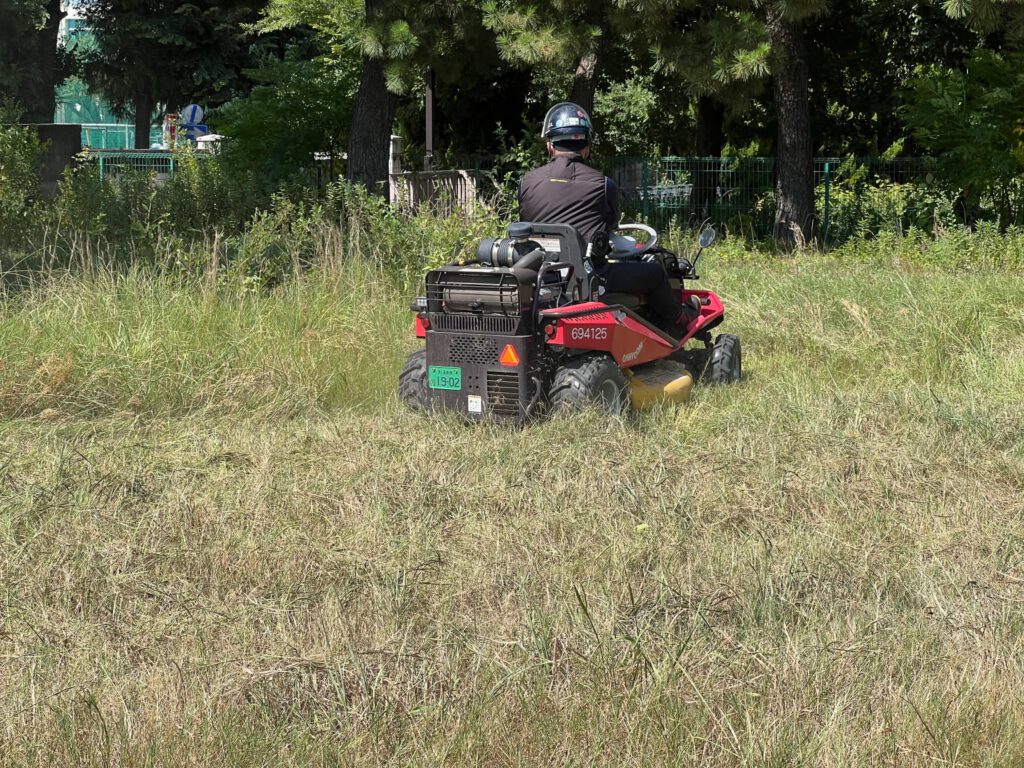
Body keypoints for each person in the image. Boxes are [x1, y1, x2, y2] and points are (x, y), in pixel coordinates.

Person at [518, 102, 700, 331]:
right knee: (654, 272)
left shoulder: (525, 182)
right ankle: (678, 320)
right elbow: (610, 228)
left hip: (541, 277)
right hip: (590, 278)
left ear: (549, 145)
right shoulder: (604, 185)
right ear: (587, 147)